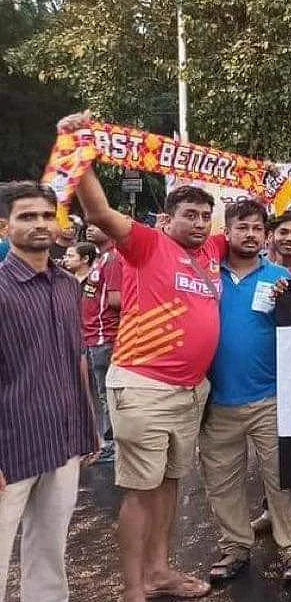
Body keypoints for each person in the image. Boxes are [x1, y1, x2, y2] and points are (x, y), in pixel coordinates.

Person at [65, 109, 227, 602]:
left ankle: (160, 571)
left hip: (190, 393)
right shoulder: (146, 244)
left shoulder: (208, 257)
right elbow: (98, 213)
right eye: (189, 216)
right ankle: (134, 589)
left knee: (170, 484)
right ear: (166, 218)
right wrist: (79, 149)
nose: (199, 224)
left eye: (205, 216)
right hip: (144, 387)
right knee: (139, 491)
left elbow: (258, 228)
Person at [200, 201, 291, 584]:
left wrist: (289, 301)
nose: (249, 234)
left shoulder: (281, 277)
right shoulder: (206, 275)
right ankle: (234, 548)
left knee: (281, 478)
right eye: (241, 227)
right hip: (216, 401)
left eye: (256, 228)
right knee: (222, 482)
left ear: (266, 235)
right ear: (226, 232)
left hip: (270, 397)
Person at [0, 181, 98, 602]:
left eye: (46, 215)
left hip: (62, 439)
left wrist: (88, 424)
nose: (40, 224)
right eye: (27, 216)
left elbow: (75, 357)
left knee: (50, 550)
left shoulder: (66, 285)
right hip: (10, 445)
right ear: (4, 226)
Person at [82, 225, 123, 463]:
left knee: (108, 393)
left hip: (105, 337)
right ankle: (110, 441)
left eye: (97, 225)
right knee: (102, 393)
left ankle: (114, 444)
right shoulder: (101, 257)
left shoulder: (114, 258)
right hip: (93, 336)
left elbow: (116, 300)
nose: (90, 228)